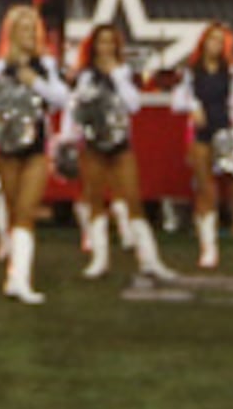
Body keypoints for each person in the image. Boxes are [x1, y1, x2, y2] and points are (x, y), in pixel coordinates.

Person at [0, 4, 72, 304]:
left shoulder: (45, 65)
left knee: (26, 211)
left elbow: (62, 99)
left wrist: (34, 81)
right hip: (7, 148)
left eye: (29, 29)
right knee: (11, 208)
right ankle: (13, 271)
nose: (25, 35)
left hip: (36, 147)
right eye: (19, 29)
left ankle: (20, 280)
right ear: (10, 33)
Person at [72, 22, 168, 281]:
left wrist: (115, 75)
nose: (106, 47)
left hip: (121, 144)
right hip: (92, 146)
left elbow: (133, 105)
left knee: (132, 199)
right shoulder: (86, 75)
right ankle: (99, 259)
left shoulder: (123, 72)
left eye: (110, 42)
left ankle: (149, 259)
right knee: (94, 199)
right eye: (101, 42)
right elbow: (78, 108)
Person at [173, 21, 233, 271]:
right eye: (210, 39)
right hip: (202, 136)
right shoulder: (191, 72)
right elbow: (177, 100)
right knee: (206, 191)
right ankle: (209, 250)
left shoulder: (231, 72)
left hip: (227, 134)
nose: (214, 45)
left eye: (219, 40)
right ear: (203, 43)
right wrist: (192, 106)